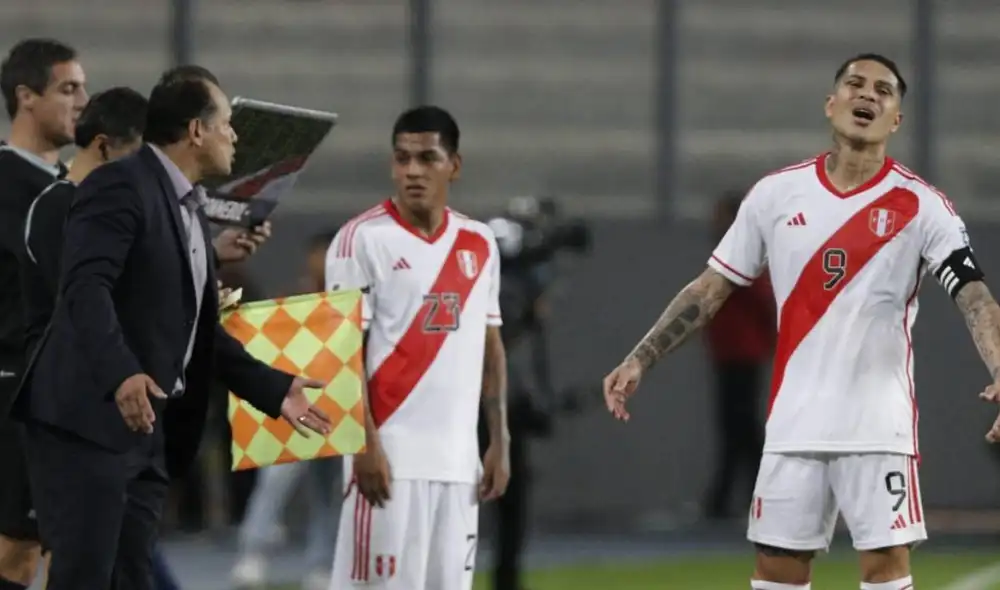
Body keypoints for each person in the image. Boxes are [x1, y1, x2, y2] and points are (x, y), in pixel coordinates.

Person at [602, 53, 1000, 590]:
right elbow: (711, 288)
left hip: (877, 426)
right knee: (777, 573)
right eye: (854, 84)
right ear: (831, 104)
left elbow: (975, 297)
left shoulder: (923, 206)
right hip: (793, 424)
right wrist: (640, 357)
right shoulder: (776, 195)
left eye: (883, 91)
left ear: (896, 120)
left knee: (885, 570)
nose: (867, 95)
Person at [12, 67, 332, 590]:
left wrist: (274, 388)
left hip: (144, 428)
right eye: (227, 122)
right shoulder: (120, 182)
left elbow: (198, 330)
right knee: (83, 579)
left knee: (132, 579)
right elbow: (85, 288)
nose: (236, 135)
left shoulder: (188, 206)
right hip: (88, 422)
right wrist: (122, 373)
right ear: (196, 130)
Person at [326, 106, 511, 590]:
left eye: (427, 158)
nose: (412, 171)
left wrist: (499, 439)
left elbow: (491, 345)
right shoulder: (362, 239)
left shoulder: (480, 241)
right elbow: (340, 353)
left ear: (454, 164)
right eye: (402, 158)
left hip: (458, 463)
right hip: (389, 460)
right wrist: (364, 446)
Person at [0, 37, 85, 590]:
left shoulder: (68, 187)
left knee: (50, 551)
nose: (82, 101)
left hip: (64, 396)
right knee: (15, 552)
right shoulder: (7, 182)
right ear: (26, 96)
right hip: (11, 391)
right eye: (68, 89)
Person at [230, 231, 342, 590]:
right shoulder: (291, 304)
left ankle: (321, 564)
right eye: (317, 255)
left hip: (340, 408)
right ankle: (254, 553)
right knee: (275, 482)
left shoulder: (351, 307)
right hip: (296, 406)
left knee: (329, 491)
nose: (321, 263)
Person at [701, 192, 774, 521]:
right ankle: (735, 496)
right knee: (736, 426)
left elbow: (762, 301)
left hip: (742, 352)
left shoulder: (743, 254)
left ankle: (749, 496)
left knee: (740, 426)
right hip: (732, 351)